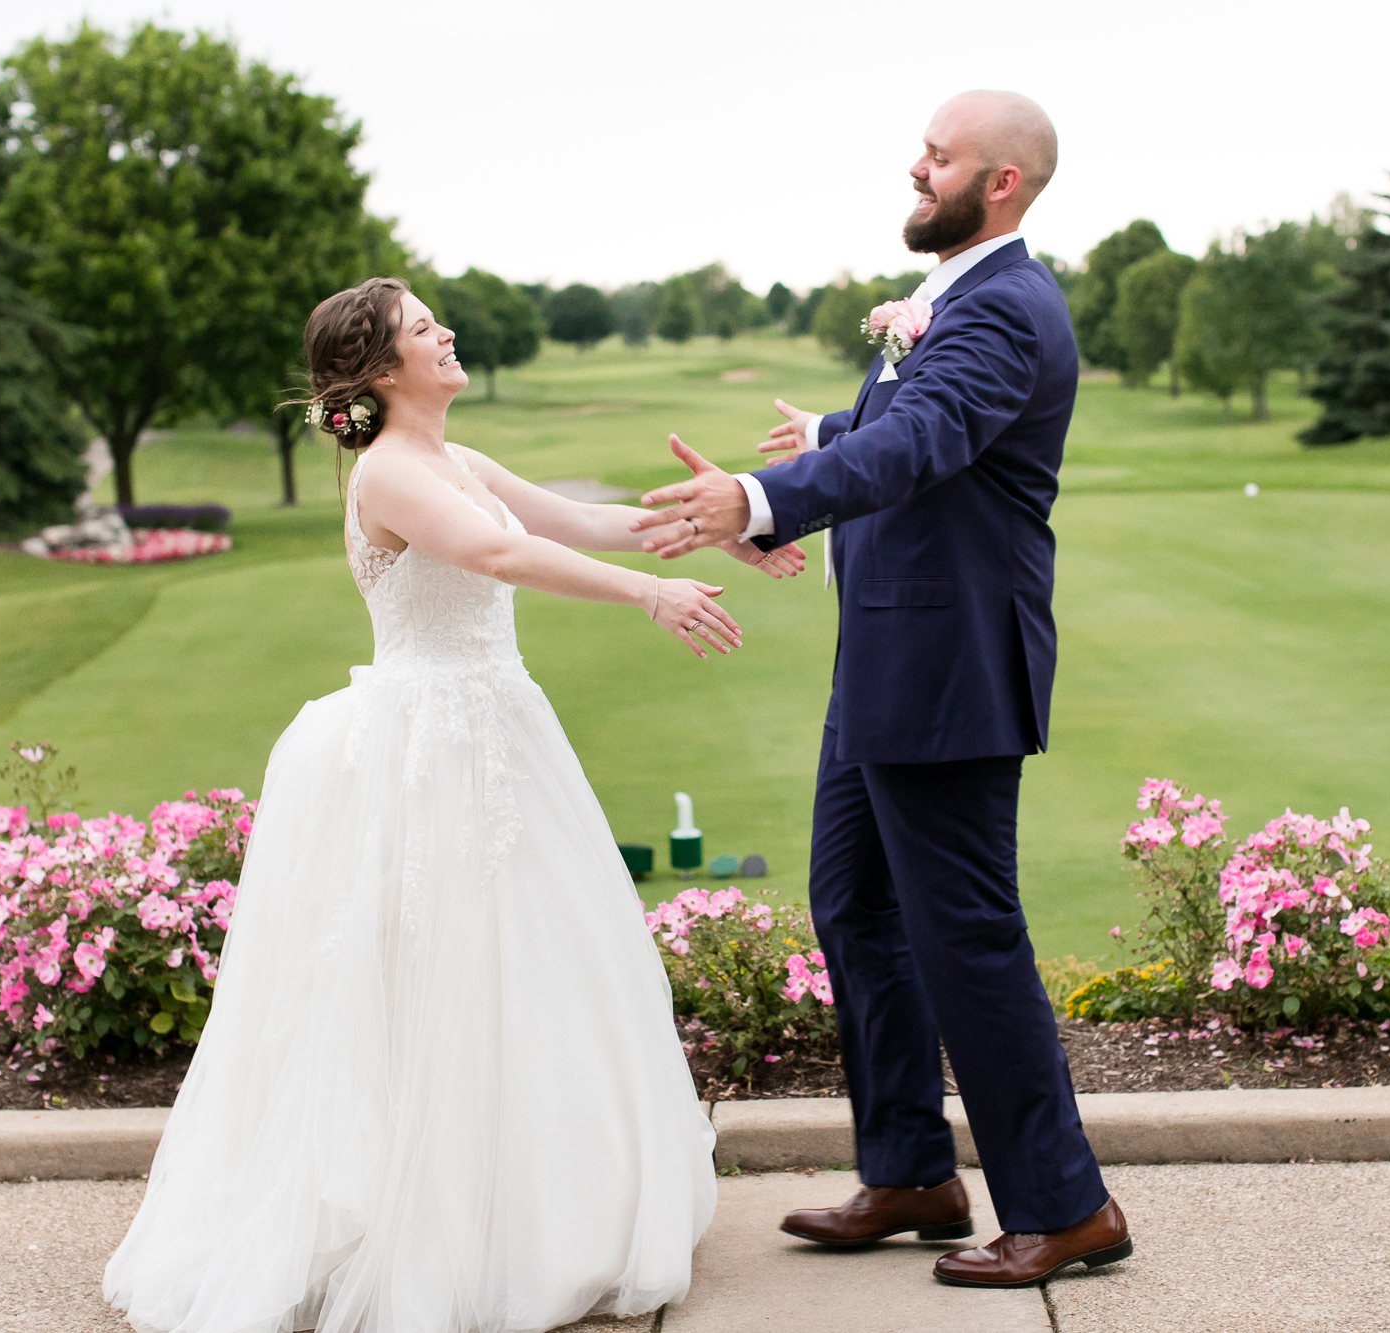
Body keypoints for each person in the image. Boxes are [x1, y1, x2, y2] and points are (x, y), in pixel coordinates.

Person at [104, 278, 804, 1333]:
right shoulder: (387, 470)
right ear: (382, 369)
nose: (447, 333)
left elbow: (571, 518)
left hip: (498, 729)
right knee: (428, 978)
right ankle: (419, 1230)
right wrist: (645, 595)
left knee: (536, 959)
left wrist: (715, 532)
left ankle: (533, 1208)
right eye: (425, 327)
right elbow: (495, 553)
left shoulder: (454, 459)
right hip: (421, 748)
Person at [629, 90, 1132, 1288]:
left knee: (966, 932)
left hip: (950, 668)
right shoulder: (956, 299)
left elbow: (927, 442)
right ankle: (909, 1169)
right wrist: (820, 426)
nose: (916, 167)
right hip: (891, 660)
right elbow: (902, 415)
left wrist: (756, 501)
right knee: (853, 905)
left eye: (939, 155)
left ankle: (1066, 1207)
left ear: (998, 182)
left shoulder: (1004, 306)